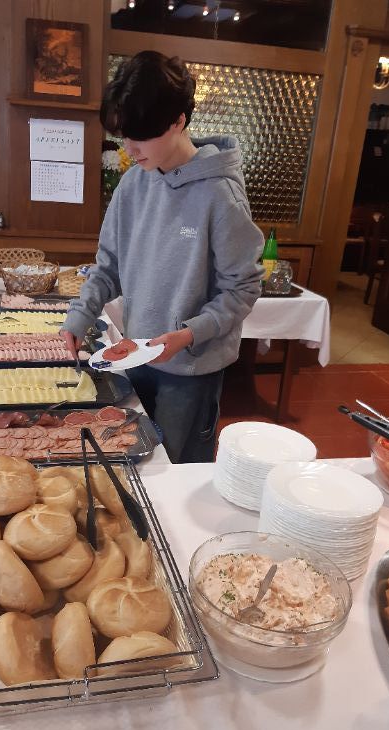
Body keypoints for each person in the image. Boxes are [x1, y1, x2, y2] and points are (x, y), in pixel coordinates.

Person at [62, 50, 264, 463]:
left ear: (178, 121)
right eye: (124, 136)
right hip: (136, 353)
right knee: (132, 462)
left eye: (141, 135)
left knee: (175, 467)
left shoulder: (220, 194)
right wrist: (79, 317)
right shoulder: (133, 183)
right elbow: (109, 265)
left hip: (191, 370)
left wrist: (189, 334)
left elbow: (243, 288)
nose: (130, 148)